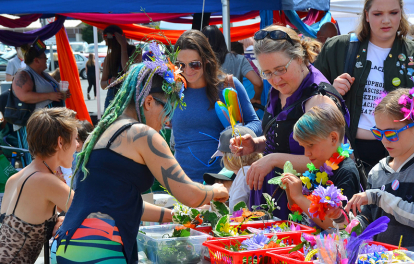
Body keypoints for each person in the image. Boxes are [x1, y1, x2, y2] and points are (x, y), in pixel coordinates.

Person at [51, 42, 229, 263]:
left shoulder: (104, 130)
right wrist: (216, 190)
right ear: (149, 102)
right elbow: (189, 195)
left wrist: (173, 215)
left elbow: (120, 201)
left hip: (69, 242)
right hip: (99, 246)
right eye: (167, 111)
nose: (167, 122)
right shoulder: (141, 134)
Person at [229, 25, 349, 220]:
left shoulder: (319, 100)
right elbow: (282, 139)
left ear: (299, 58)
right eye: (267, 72)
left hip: (308, 204)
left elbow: (329, 159)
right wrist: (256, 143)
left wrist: (272, 159)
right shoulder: (279, 89)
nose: (275, 79)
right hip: (272, 195)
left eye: (280, 69)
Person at [314, 0, 414, 174]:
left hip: (402, 157)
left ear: (401, 14)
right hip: (346, 154)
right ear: (367, 15)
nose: (386, 20)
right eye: (378, 14)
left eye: (393, 13)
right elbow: (309, 95)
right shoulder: (337, 47)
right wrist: (330, 91)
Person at [344, 88, 414, 251]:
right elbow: (368, 219)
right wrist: (347, 221)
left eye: (392, 133)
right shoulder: (377, 171)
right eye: (379, 132)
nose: (384, 140)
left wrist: (379, 197)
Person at [171, 30, 261, 183]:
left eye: (194, 64)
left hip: (224, 181)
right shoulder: (172, 91)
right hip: (182, 184)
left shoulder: (227, 85)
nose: (187, 70)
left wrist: (239, 133)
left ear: (206, 60)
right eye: (181, 65)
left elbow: (256, 123)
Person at [0, 108, 79, 263]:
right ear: (60, 142)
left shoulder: (17, 177)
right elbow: (92, 214)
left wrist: (63, 218)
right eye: (75, 138)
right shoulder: (45, 181)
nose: (77, 145)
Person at [281, 104, 360, 230]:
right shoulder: (317, 166)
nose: (306, 153)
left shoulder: (346, 171)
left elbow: (342, 226)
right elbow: (302, 212)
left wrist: (298, 196)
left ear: (333, 138)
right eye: (303, 147)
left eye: (311, 145)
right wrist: (291, 193)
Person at [201, 26, 264, 105]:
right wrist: (256, 98)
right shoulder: (239, 59)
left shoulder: (197, 62)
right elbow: (258, 82)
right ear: (222, 40)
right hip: (233, 110)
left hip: (205, 107)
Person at [208, 126, 262, 211]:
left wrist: (213, 204)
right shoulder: (259, 169)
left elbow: (235, 210)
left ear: (230, 158)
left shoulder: (244, 173)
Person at [100, 25, 139, 108]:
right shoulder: (109, 58)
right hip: (112, 97)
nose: (106, 44)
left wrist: (123, 46)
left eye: (107, 41)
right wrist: (109, 82)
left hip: (128, 96)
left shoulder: (135, 51)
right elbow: (102, 84)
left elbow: (127, 69)